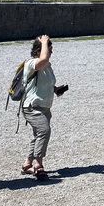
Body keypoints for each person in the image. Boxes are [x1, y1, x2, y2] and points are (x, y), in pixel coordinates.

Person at [20, 35, 68, 180]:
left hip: (44, 107)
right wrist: (44, 42)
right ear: (37, 51)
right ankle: (38, 165)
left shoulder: (47, 66)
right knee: (44, 131)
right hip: (32, 107)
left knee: (38, 135)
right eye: (48, 50)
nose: (50, 53)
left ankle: (27, 164)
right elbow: (44, 59)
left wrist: (55, 90)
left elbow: (45, 82)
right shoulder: (31, 63)